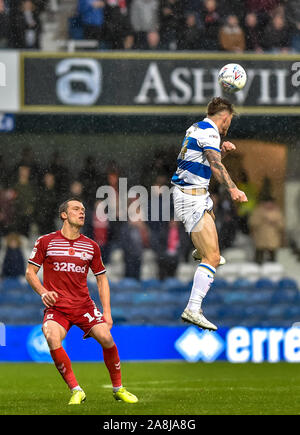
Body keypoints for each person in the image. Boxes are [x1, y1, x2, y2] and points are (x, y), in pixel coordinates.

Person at [25, 198, 138, 405]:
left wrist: (107, 312)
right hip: (57, 307)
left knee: (107, 339)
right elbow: (30, 272)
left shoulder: (91, 246)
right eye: (76, 209)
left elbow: (102, 278)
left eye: (83, 210)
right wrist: (43, 292)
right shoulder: (45, 241)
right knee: (51, 336)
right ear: (64, 215)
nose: (82, 212)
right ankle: (76, 390)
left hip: (84, 306)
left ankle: (118, 388)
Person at [171, 97, 248, 331]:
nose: (229, 126)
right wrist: (233, 187)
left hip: (194, 194)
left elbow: (200, 163)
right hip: (191, 196)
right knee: (213, 258)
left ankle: (200, 249)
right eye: (230, 121)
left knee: (211, 216)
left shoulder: (197, 127)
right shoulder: (211, 132)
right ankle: (193, 308)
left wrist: (220, 152)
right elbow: (215, 166)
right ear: (225, 117)